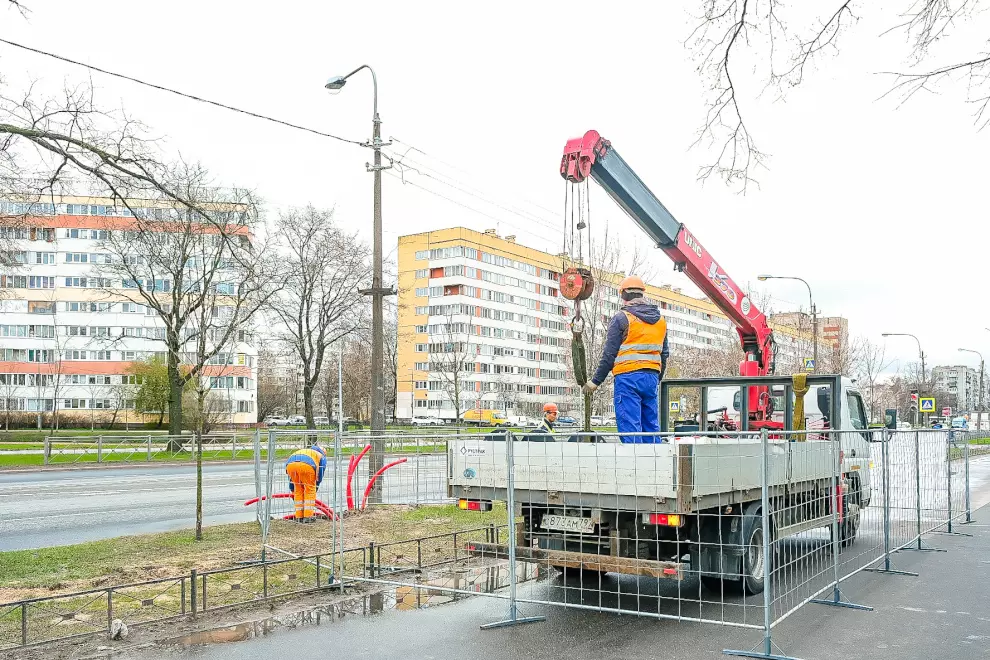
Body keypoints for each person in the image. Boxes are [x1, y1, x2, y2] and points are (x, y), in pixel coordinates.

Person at [582, 275, 669, 441]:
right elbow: (664, 354)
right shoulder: (661, 321)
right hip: (651, 378)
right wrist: (657, 379)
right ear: (642, 294)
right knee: (651, 428)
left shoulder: (622, 318)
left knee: (631, 429)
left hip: (628, 378)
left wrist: (595, 382)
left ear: (623, 295)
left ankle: (634, 466)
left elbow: (609, 355)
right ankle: (655, 465)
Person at [285, 444, 327, 522]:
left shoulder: (305, 451)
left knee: (298, 490)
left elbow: (291, 480)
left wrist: (292, 487)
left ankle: (299, 516)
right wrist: (316, 485)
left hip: (290, 465)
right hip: (307, 465)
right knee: (310, 490)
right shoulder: (321, 456)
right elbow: (321, 472)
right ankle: (308, 517)